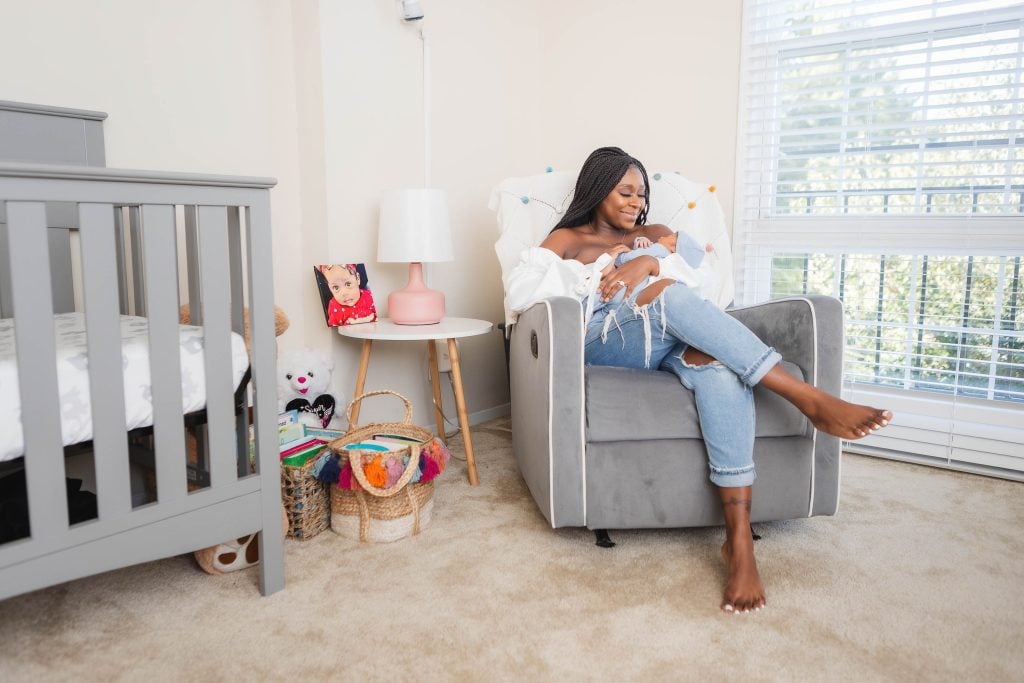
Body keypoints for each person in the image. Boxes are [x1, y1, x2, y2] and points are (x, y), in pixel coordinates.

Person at [505, 146, 892, 614]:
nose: (634, 201)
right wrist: (603, 264)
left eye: (641, 193)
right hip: (610, 342)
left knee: (720, 367)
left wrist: (650, 261)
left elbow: (703, 284)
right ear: (596, 189)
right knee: (667, 293)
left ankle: (739, 546)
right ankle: (807, 398)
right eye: (624, 191)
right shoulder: (568, 238)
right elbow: (522, 291)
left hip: (668, 335)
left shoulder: (658, 234)